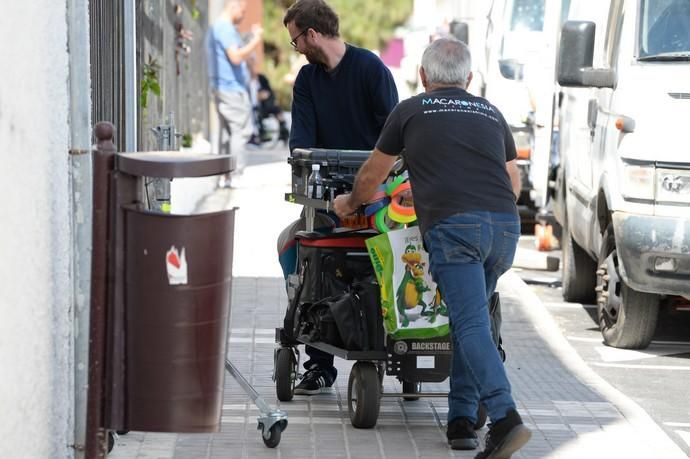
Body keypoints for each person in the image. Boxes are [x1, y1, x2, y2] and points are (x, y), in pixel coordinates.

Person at [333, 38, 531, 458]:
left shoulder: (410, 110)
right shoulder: (492, 112)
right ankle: (461, 421)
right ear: (470, 79)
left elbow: (372, 176)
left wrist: (348, 204)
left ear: (423, 76)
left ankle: (505, 417)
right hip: (503, 229)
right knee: (468, 319)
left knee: (472, 323)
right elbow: (514, 184)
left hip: (455, 228)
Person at [280, 0, 399, 395]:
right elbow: (302, 143)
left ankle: (367, 343)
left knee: (350, 260)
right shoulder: (308, 81)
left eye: (296, 39)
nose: (296, 48)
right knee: (295, 250)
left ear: (312, 35)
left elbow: (394, 134)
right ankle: (320, 362)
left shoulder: (370, 69)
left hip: (376, 197)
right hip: (325, 195)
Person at [206, 0, 263, 187]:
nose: (244, 15)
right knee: (241, 131)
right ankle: (234, 174)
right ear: (234, 7)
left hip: (225, 87)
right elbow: (236, 57)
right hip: (231, 89)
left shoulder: (220, 28)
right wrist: (255, 40)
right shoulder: (224, 28)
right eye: (243, 11)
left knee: (226, 134)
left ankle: (224, 175)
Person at [246, 56, 290, 147]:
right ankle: (260, 135)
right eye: (250, 64)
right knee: (256, 112)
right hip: (250, 106)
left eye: (254, 64)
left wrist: (264, 95)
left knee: (277, 110)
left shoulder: (261, 78)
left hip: (263, 105)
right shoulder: (245, 79)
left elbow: (269, 92)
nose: (253, 66)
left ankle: (283, 133)